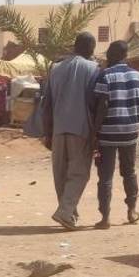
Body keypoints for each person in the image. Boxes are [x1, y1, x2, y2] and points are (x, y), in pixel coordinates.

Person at [41, 33, 100, 230]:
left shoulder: (56, 69)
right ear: (90, 48)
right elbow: (95, 102)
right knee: (79, 173)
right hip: (80, 128)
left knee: (60, 173)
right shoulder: (93, 68)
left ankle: (68, 212)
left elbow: (46, 103)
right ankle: (65, 211)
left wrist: (47, 132)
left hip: (58, 129)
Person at [90, 40, 139, 229]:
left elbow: (102, 105)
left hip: (108, 133)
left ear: (112, 55)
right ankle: (132, 211)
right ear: (126, 55)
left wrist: (94, 132)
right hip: (130, 131)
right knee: (129, 172)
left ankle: (105, 218)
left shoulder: (106, 75)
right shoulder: (138, 75)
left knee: (105, 176)